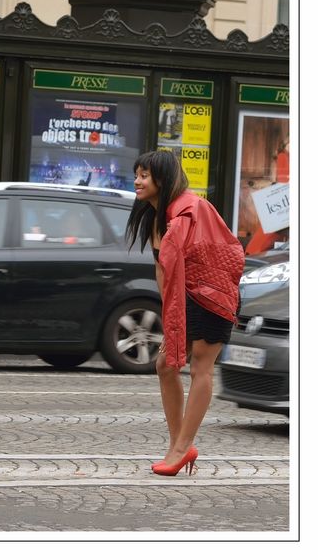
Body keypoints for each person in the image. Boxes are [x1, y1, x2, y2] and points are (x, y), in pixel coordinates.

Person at [126, 150, 244, 477]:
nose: (137, 180)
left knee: (200, 369)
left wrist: (196, 298)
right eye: (136, 174)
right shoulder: (157, 217)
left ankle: (180, 448)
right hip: (184, 297)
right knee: (165, 365)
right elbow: (163, 271)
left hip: (211, 297)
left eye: (144, 175)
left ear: (161, 180)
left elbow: (226, 253)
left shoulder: (190, 211)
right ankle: (180, 444)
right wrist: (171, 313)